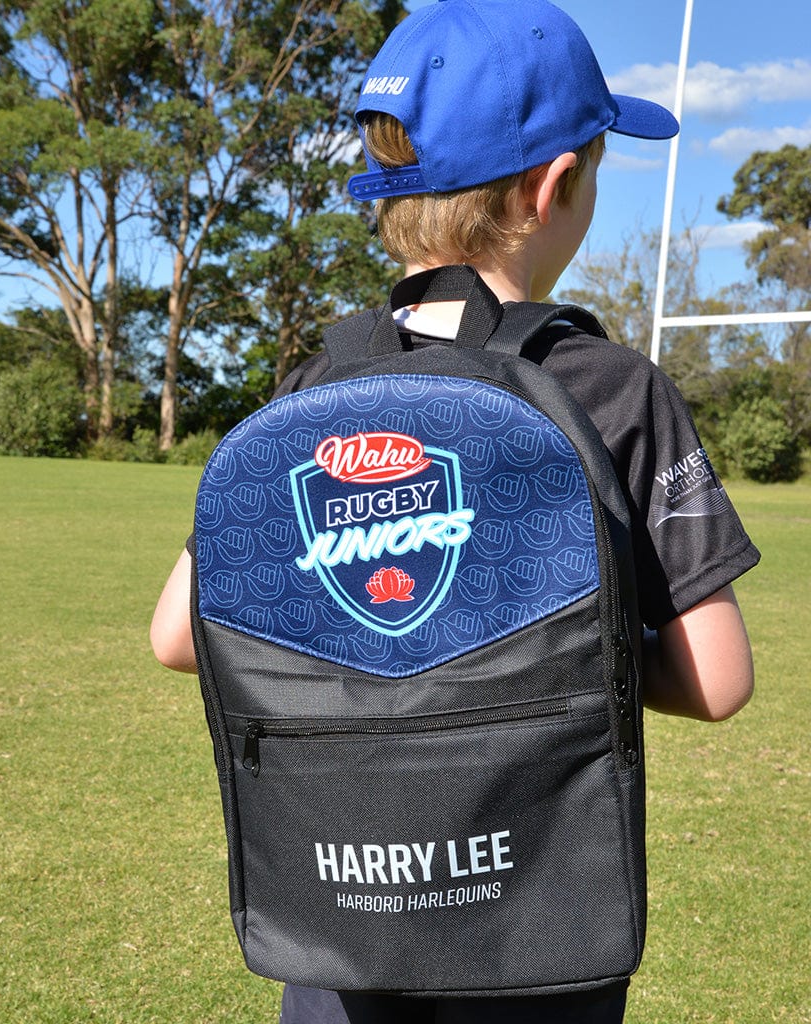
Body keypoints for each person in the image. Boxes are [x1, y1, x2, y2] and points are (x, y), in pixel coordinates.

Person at [151, 1, 760, 1020]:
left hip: (338, 919)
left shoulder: (314, 382)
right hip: (536, 932)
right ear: (554, 185)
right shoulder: (611, 388)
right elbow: (716, 679)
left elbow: (178, 636)